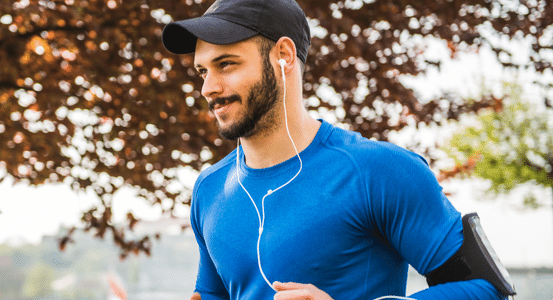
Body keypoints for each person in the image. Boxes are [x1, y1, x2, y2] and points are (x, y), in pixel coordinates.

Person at [160, 0, 508, 299]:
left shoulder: (377, 171)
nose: (208, 87)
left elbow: (487, 289)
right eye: (202, 71)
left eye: (226, 64)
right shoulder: (210, 190)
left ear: (284, 55)